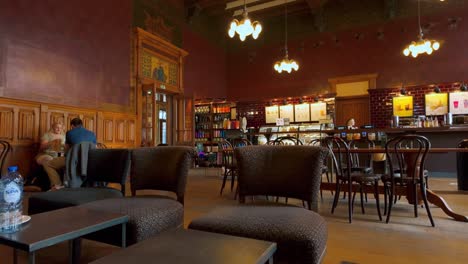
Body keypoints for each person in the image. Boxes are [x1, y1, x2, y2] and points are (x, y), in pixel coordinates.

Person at [42, 118, 97, 190]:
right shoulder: (92, 134)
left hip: (73, 161)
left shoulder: (69, 133)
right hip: (88, 162)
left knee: (47, 164)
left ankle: (57, 185)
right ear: (82, 125)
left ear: (72, 126)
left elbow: (66, 150)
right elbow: (95, 148)